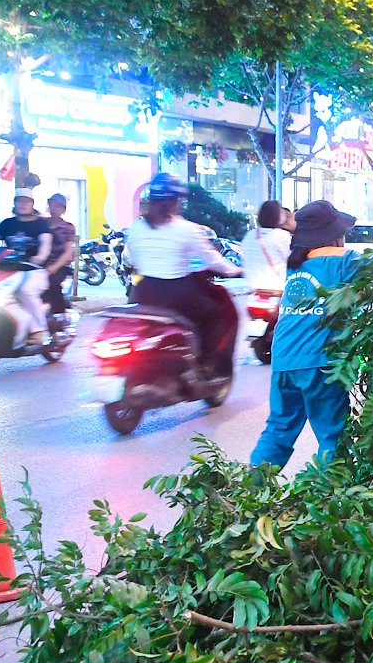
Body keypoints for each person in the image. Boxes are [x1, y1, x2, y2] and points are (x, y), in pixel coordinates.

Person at [250, 201, 360, 469]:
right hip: (318, 362)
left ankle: (249, 491)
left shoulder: (296, 265)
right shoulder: (344, 262)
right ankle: (328, 499)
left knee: (279, 428)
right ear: (334, 234)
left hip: (284, 360)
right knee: (334, 436)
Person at [125, 173, 242, 381]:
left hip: (141, 292)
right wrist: (235, 270)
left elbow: (133, 258)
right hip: (176, 295)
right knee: (216, 316)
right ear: (173, 202)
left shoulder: (137, 227)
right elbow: (213, 260)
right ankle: (206, 365)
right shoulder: (187, 229)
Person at [0, 190, 53, 343]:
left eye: (26, 201)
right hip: (8, 270)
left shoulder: (40, 224)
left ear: (32, 204)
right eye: (19, 201)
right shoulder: (7, 224)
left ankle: (39, 331)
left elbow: (45, 244)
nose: (23, 204)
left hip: (33, 270)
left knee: (25, 291)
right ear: (14, 203)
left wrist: (40, 257)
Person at [42, 193, 79, 321]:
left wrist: (54, 267)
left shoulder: (67, 227)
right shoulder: (41, 223)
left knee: (53, 285)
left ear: (63, 209)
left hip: (58, 266)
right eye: (52, 205)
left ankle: (58, 318)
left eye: (58, 206)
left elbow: (67, 252)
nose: (54, 208)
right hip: (39, 264)